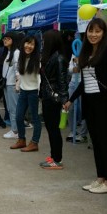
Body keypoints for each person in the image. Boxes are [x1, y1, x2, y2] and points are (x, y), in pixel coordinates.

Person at [63, 18, 107, 193]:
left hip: (103, 103)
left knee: (104, 143)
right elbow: (85, 82)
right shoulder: (86, 52)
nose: (93, 34)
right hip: (89, 103)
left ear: (104, 33)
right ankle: (100, 178)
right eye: (91, 31)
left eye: (98, 31)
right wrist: (71, 100)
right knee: (96, 143)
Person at [39, 30, 69, 169]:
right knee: (51, 128)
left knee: (54, 129)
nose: (43, 43)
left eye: (44, 41)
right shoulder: (51, 56)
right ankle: (54, 157)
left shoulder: (59, 58)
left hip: (54, 98)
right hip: (48, 96)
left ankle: (57, 159)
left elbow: (62, 81)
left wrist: (64, 100)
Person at [10, 35, 42, 152]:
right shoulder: (21, 58)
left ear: (35, 46)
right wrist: (18, 85)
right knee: (18, 116)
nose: (29, 46)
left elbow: (39, 78)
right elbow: (20, 74)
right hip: (23, 91)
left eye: (32, 44)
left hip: (34, 92)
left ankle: (34, 142)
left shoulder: (38, 60)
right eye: (27, 43)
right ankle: (21, 140)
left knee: (35, 118)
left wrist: (39, 93)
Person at [1, 32, 21, 139]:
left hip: (12, 84)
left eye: (8, 39)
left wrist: (17, 82)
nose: (5, 40)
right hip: (7, 83)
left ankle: (15, 130)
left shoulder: (16, 52)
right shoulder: (8, 52)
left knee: (13, 108)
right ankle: (14, 129)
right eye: (4, 39)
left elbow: (17, 68)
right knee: (10, 108)